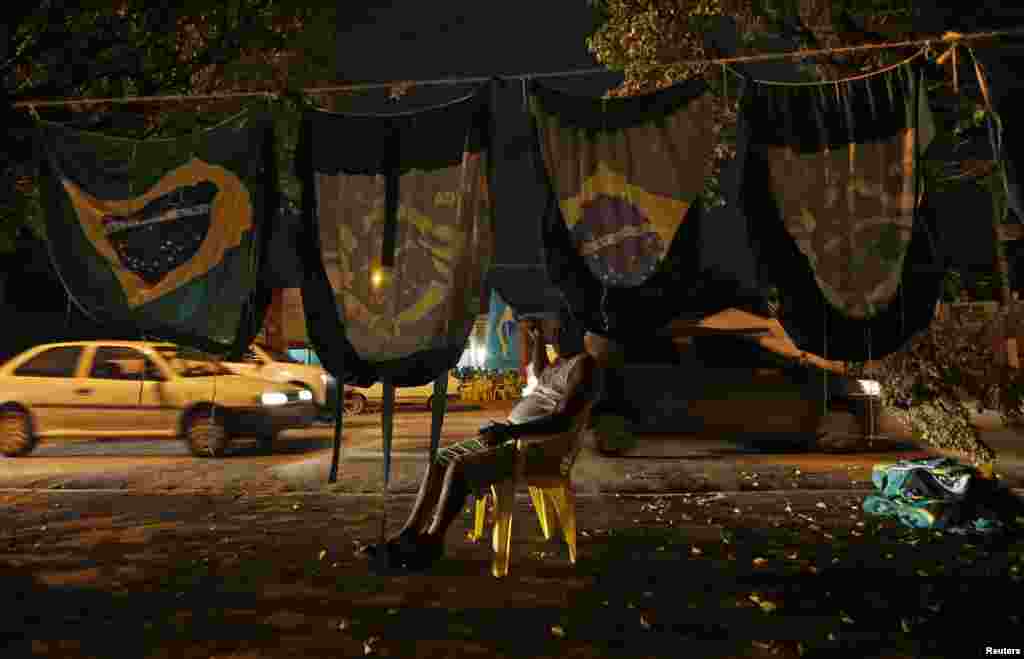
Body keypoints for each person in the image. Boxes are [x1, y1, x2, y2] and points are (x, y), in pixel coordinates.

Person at [361, 318, 615, 572]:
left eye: (559, 331)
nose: (554, 336)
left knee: (460, 467)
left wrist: (509, 432)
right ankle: (409, 534)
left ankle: (433, 540)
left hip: (537, 450)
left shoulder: (585, 367)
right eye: (553, 331)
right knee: (439, 459)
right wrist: (536, 340)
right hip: (514, 439)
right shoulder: (560, 362)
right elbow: (540, 372)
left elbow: (561, 421)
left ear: (577, 334)